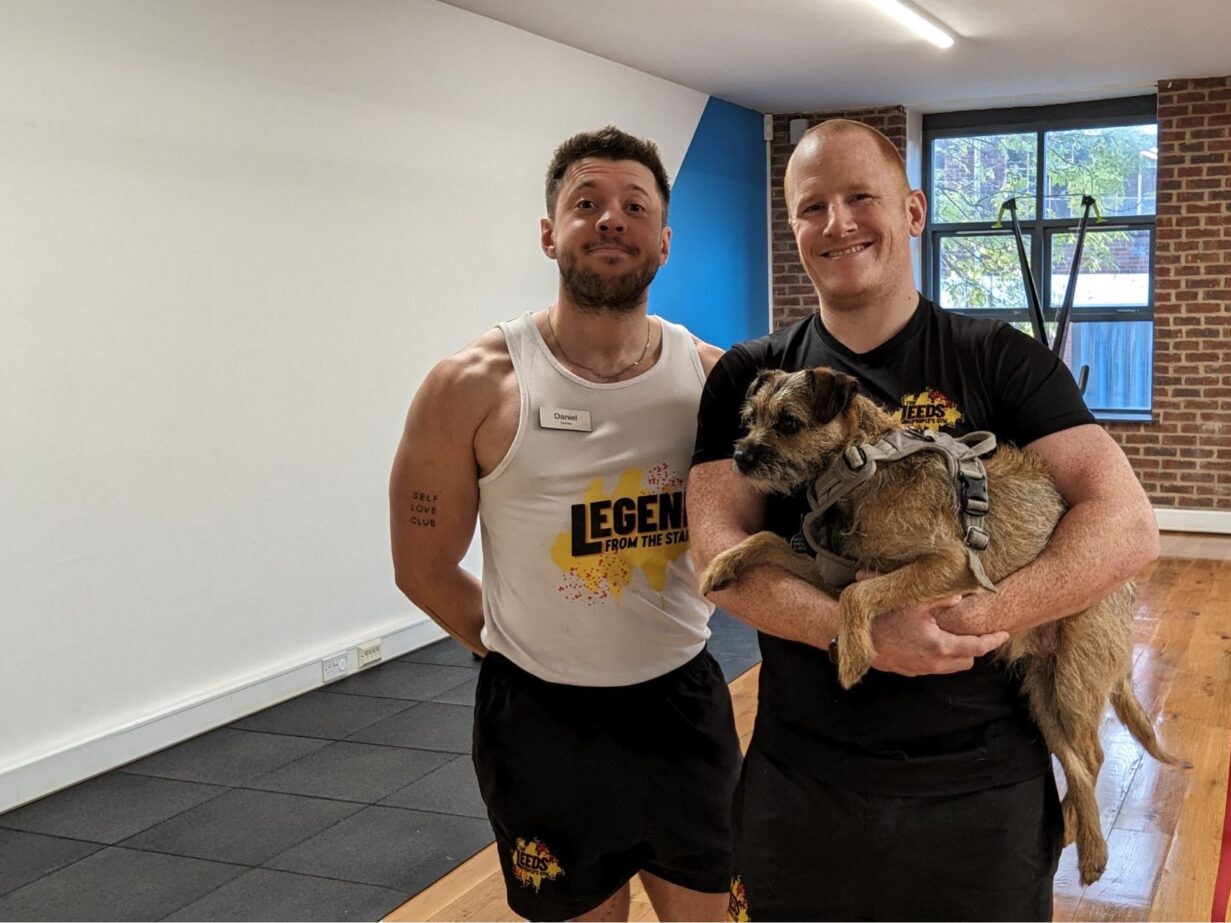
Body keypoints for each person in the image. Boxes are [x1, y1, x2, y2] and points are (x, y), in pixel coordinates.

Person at [688, 119, 1160, 921]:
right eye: (812, 207)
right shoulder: (749, 373)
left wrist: (974, 618)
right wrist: (853, 626)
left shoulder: (1001, 359)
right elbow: (718, 543)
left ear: (912, 210)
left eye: (859, 197)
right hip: (804, 777)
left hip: (979, 786)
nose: (836, 223)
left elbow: (1127, 524)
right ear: (793, 227)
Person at [390, 126, 736, 923]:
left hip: (681, 709)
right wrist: (522, 649)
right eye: (587, 203)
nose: (610, 220)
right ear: (550, 232)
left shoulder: (711, 381)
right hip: (542, 726)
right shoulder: (472, 386)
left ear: (664, 241)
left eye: (633, 206)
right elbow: (422, 566)